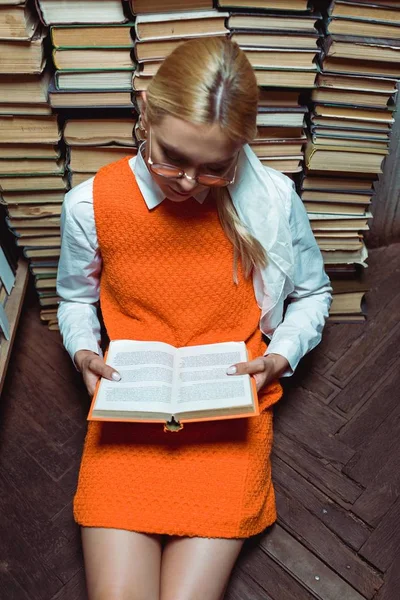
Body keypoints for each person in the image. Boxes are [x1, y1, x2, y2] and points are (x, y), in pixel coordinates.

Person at [56, 36, 332, 600]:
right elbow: (75, 300)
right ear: (145, 114)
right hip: (129, 417)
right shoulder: (89, 205)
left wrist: (282, 354)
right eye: (171, 158)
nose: (186, 182)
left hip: (227, 418)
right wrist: (83, 350)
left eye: (214, 169)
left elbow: (313, 293)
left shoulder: (272, 200)